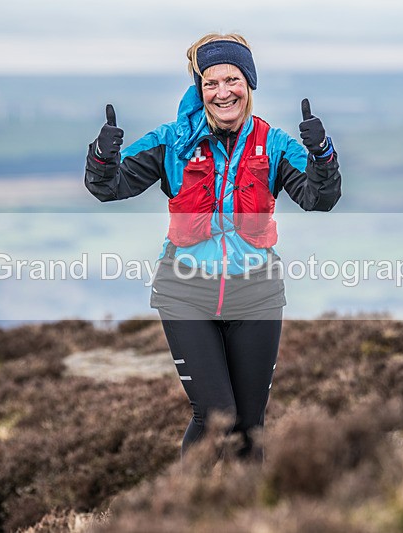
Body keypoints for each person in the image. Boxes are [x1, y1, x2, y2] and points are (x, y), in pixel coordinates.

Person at [85, 33, 342, 460]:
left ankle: (250, 518)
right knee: (216, 415)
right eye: (211, 82)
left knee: (249, 429)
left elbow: (320, 198)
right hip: (186, 293)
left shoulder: (274, 144)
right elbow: (109, 188)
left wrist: (322, 155)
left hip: (256, 296)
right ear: (199, 88)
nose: (223, 92)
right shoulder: (173, 141)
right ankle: (183, 513)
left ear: (249, 84)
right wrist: (102, 156)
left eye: (232, 80)